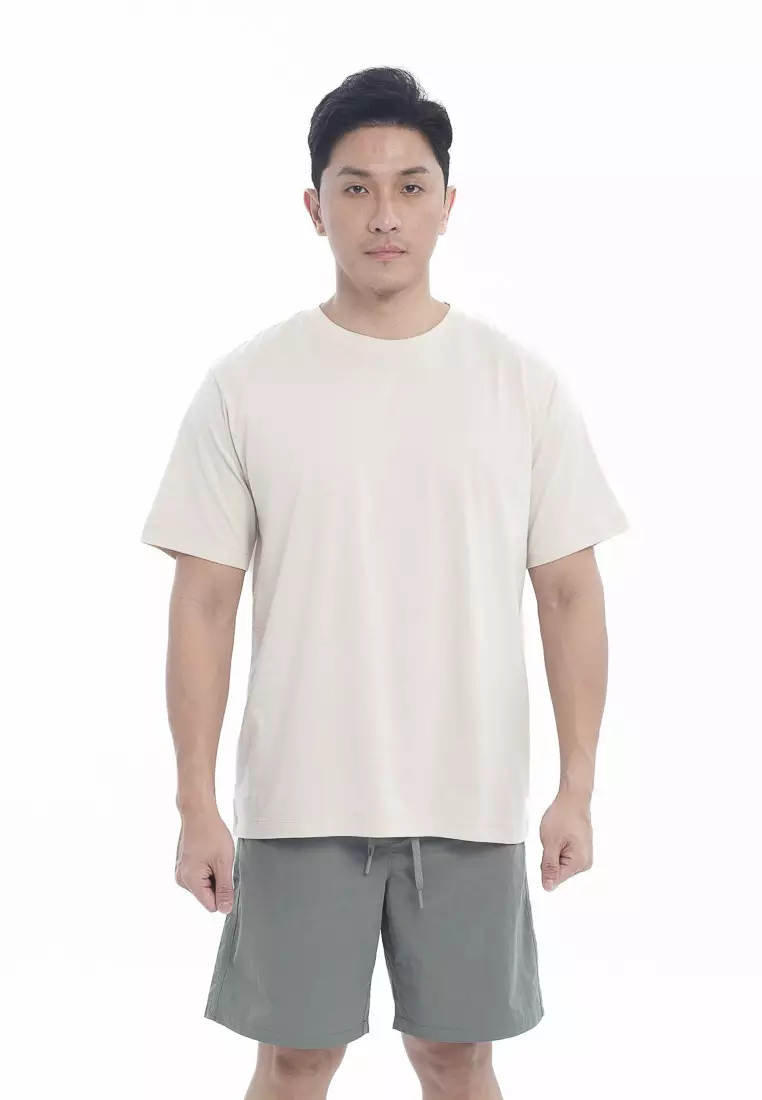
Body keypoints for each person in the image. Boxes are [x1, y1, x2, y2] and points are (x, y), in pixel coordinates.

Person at [140, 66, 629, 1100]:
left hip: (470, 797)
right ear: (314, 207)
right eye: (355, 188)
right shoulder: (246, 385)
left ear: (449, 204)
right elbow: (204, 602)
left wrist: (577, 784)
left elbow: (570, 594)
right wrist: (195, 800)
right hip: (299, 799)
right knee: (295, 1059)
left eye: (411, 186)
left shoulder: (520, 386)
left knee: (457, 1057)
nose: (385, 214)